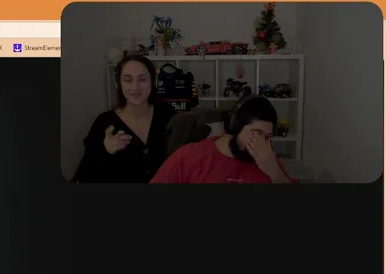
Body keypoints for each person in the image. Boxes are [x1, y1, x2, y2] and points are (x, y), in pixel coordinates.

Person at [73, 55, 174, 183]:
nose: (135, 87)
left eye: (142, 79)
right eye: (128, 80)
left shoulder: (168, 115)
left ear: (152, 81)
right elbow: (84, 176)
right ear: (119, 84)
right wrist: (105, 151)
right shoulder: (104, 123)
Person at [151, 95, 293, 184]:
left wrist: (276, 173)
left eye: (267, 136)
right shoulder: (188, 157)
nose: (262, 143)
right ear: (234, 126)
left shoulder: (268, 159)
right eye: (257, 133)